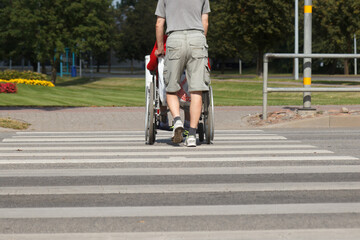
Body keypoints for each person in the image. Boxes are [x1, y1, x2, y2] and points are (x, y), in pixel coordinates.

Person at [154, 0, 211, 147]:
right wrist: (199, 41)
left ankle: (177, 120)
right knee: (196, 89)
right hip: (197, 38)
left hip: (174, 39)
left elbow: (159, 23)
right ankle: (191, 134)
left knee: (171, 87)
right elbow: (205, 22)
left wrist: (160, 48)